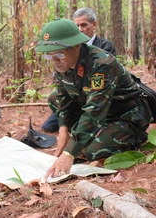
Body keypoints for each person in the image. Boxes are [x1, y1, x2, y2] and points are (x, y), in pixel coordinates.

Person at [33, 18, 151, 179]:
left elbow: (95, 110)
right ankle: (90, 134)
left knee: (93, 152)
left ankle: (134, 136)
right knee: (54, 98)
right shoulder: (63, 65)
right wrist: (63, 130)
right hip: (97, 110)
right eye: (49, 55)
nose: (54, 61)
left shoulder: (101, 64)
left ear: (76, 46)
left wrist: (69, 153)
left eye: (59, 54)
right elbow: (63, 98)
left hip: (125, 113)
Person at [42, 8, 116, 133]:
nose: (80, 29)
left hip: (98, 96)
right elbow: (63, 84)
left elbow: (103, 83)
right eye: (77, 26)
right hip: (77, 97)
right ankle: (78, 123)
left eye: (84, 25)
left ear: (94, 25)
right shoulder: (63, 51)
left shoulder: (105, 48)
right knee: (49, 125)